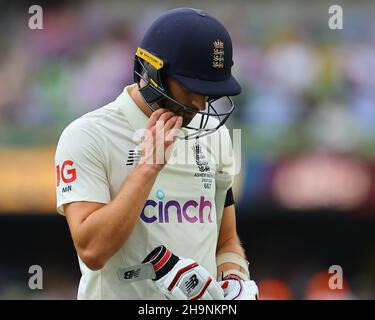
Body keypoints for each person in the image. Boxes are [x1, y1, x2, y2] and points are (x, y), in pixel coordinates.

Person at [55, 7, 258, 300]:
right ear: (152, 72)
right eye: (192, 88)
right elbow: (92, 250)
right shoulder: (87, 135)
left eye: (210, 91)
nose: (200, 104)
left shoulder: (217, 134)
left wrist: (234, 277)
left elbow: (226, 240)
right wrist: (148, 167)